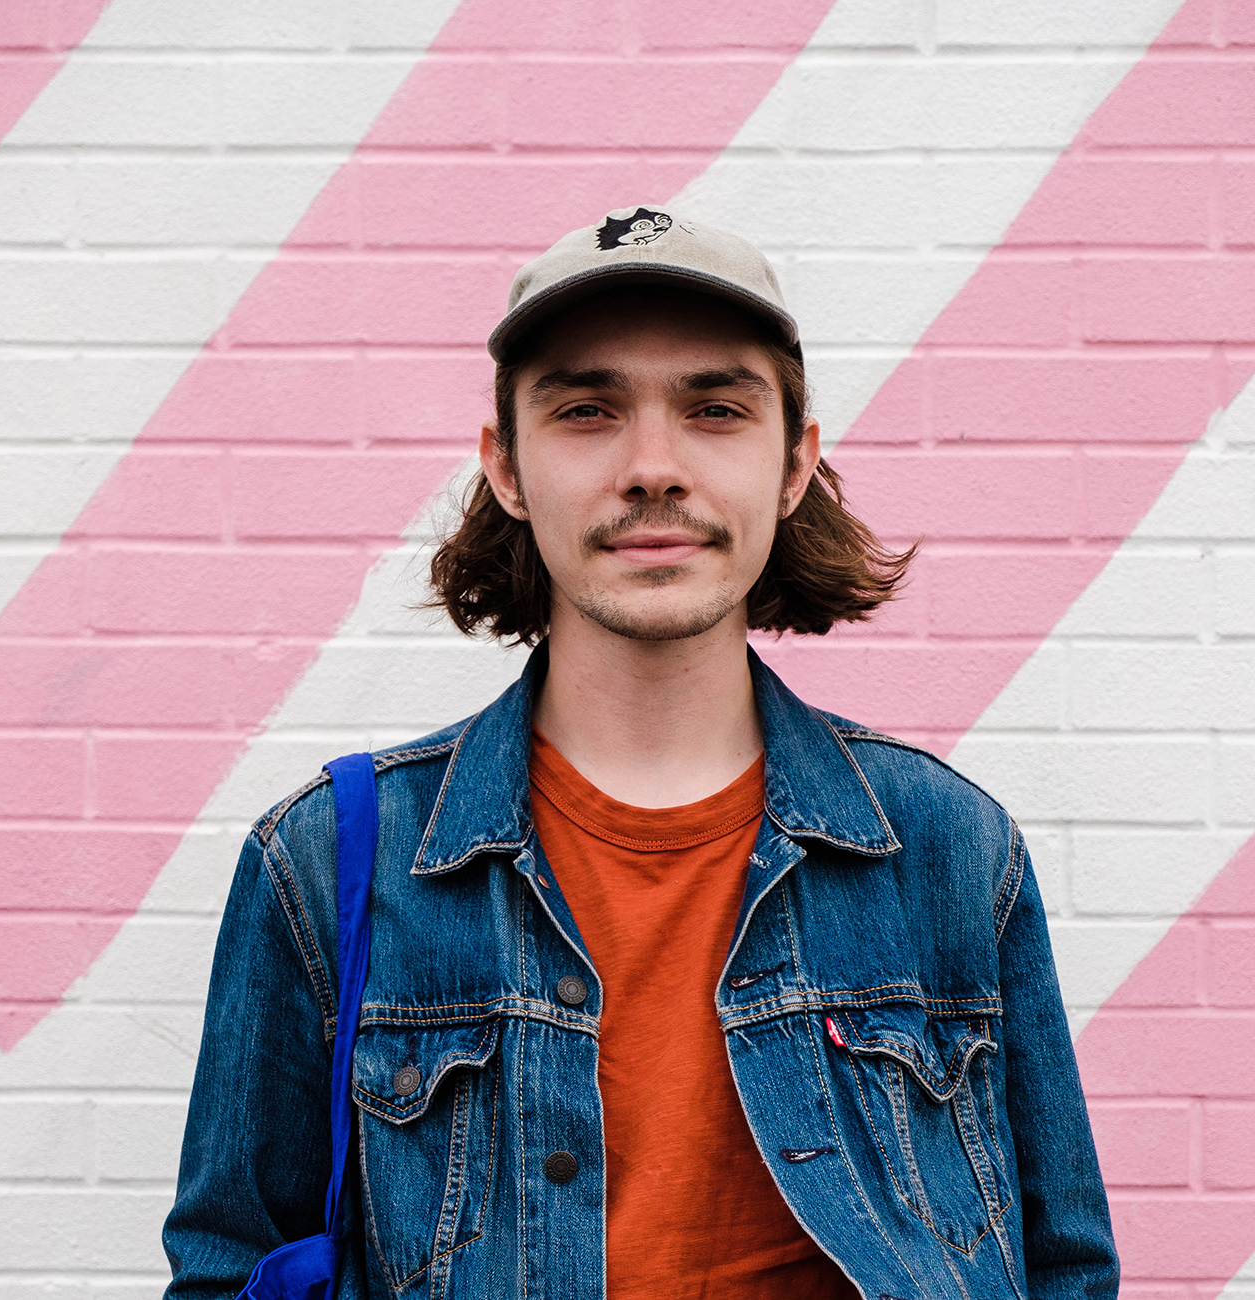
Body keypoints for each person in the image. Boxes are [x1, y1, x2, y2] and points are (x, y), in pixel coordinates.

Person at [163, 206, 1118, 1299]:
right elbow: (228, 1272)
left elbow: (1064, 1270)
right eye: (585, 409)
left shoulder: (947, 847)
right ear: (507, 468)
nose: (653, 467)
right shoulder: (331, 860)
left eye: (715, 408)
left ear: (794, 463)